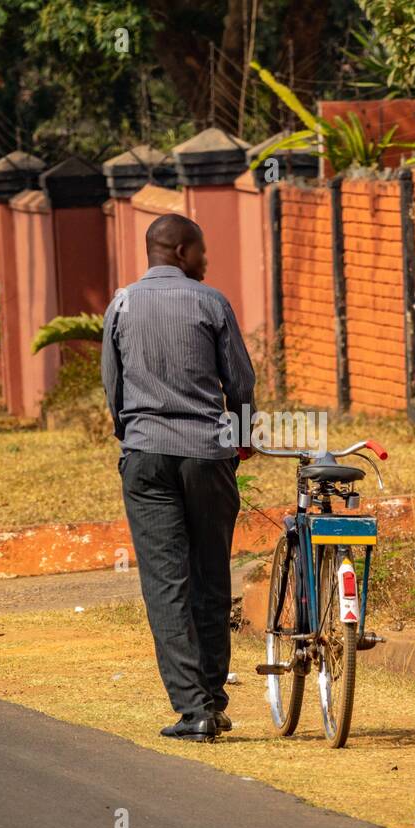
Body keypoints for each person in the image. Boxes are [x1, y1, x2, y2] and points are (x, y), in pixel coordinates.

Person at [101, 213, 256, 743]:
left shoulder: (120, 304)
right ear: (183, 250)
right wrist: (239, 440)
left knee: (166, 585)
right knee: (211, 576)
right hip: (207, 456)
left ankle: (195, 711)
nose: (206, 260)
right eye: (203, 250)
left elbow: (113, 391)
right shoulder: (210, 302)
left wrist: (137, 435)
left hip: (146, 457)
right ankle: (212, 698)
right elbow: (239, 382)